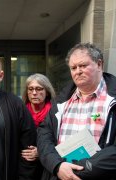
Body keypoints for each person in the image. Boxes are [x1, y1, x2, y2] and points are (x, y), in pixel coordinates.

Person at [37, 42, 116, 180]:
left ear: (99, 64)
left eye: (83, 66)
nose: (78, 71)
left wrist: (80, 170)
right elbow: (44, 137)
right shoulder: (60, 102)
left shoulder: (113, 100)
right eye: (73, 67)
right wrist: (57, 166)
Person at [21, 73, 56, 179]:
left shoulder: (55, 112)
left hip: (48, 168)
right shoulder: (20, 111)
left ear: (47, 92)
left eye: (39, 89)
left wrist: (41, 152)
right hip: (24, 168)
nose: (34, 93)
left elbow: (61, 140)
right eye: (30, 89)